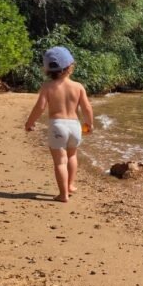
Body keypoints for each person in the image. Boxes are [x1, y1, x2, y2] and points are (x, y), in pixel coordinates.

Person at [24, 46, 94, 203]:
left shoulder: (47, 87)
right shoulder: (78, 86)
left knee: (60, 161)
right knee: (72, 155)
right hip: (75, 125)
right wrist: (89, 123)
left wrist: (30, 123)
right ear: (70, 67)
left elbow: (40, 107)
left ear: (48, 70)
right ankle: (70, 186)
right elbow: (87, 107)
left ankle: (63, 195)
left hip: (57, 125)